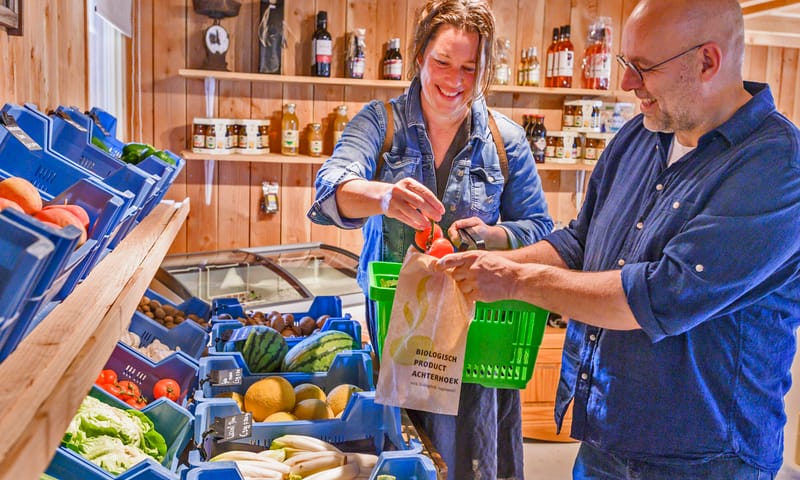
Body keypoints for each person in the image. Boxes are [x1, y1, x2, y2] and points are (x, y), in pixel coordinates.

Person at [437, 0, 800, 478]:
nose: (627, 82)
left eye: (644, 67)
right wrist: (487, 265)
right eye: (627, 63)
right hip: (607, 435)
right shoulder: (639, 136)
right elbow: (579, 244)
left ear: (708, 61)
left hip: (706, 460)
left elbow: (658, 296)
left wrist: (514, 280)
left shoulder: (776, 166)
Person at [307, 1, 552, 477]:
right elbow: (329, 189)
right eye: (443, 62)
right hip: (396, 339)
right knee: (402, 458)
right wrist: (383, 196)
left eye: (469, 68)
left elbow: (540, 227)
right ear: (419, 55)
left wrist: (492, 235)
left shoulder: (505, 140)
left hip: (476, 345)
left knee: (472, 461)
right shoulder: (380, 125)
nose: (454, 80)